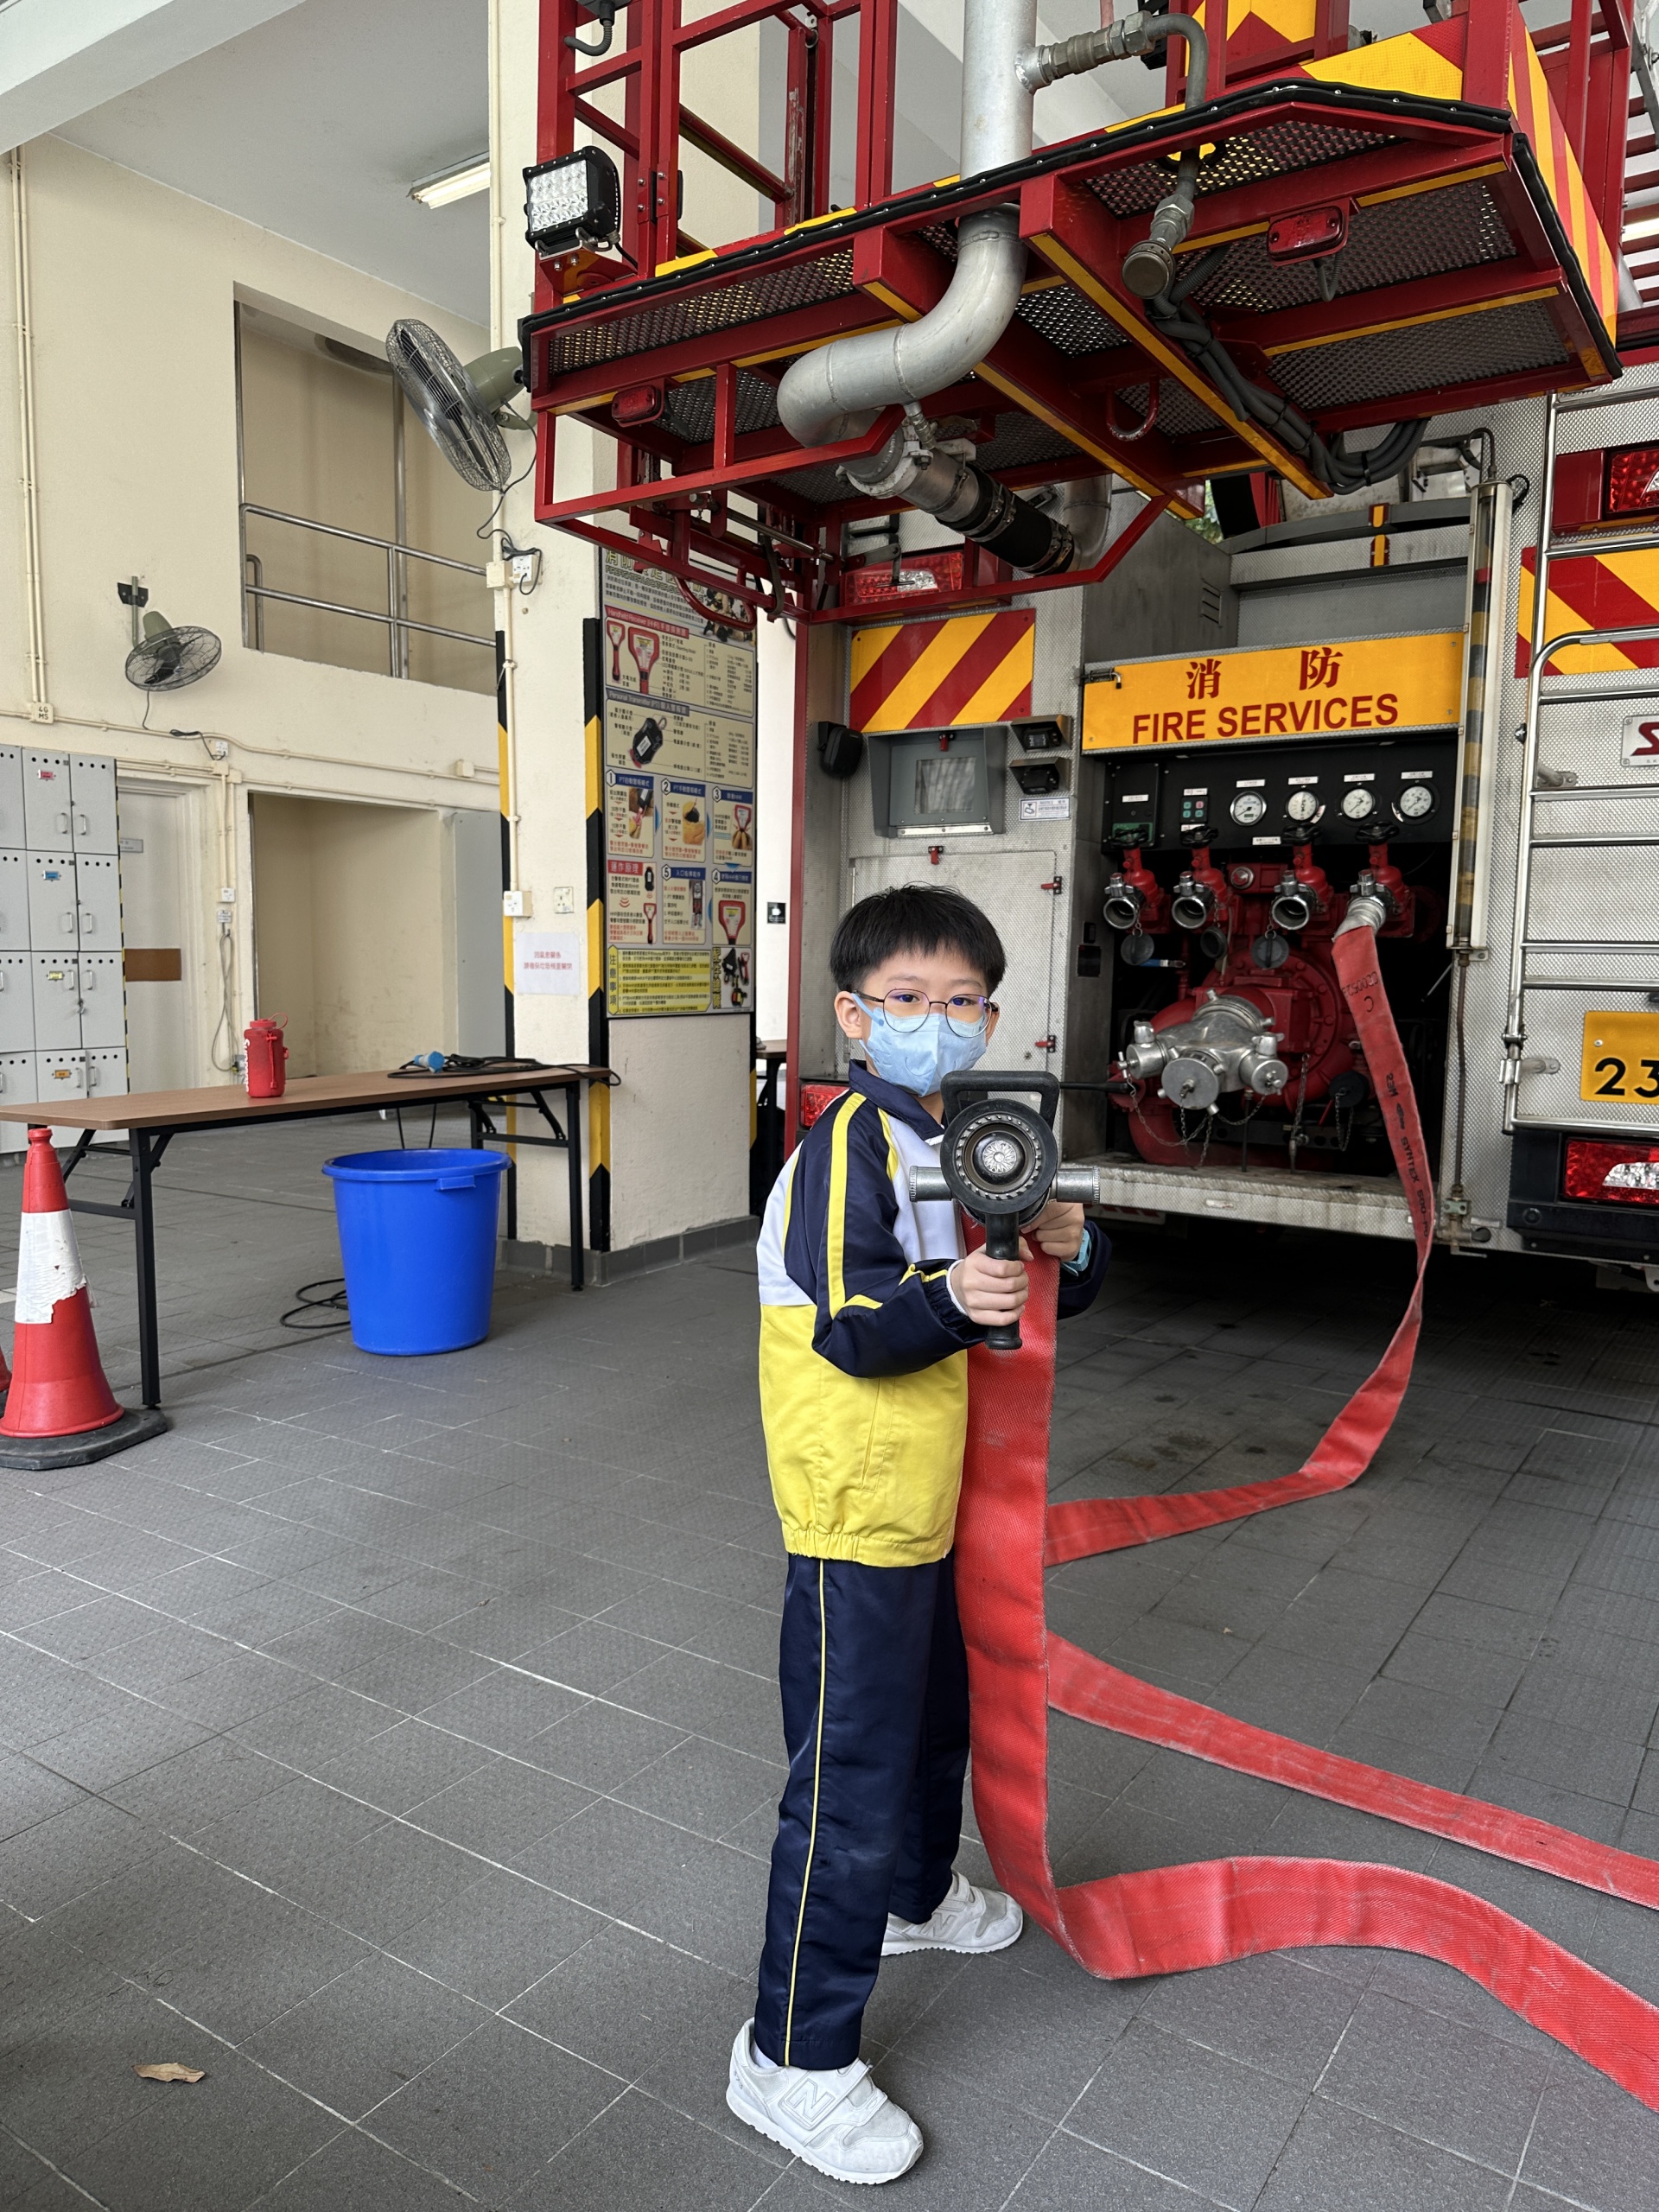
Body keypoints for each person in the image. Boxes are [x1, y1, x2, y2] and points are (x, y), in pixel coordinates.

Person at [728, 884, 1108, 2185]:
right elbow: (852, 1323)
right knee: (849, 1775)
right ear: (853, 1015)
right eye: (906, 1000)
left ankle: (916, 1896)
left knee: (943, 1715)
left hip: (940, 1497)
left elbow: (1033, 1279)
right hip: (858, 1511)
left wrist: (1067, 1244)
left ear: (989, 1019)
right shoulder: (848, 1145)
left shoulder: (949, 1135)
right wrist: (954, 1298)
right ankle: (791, 2057)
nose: (934, 1020)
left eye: (961, 1002)